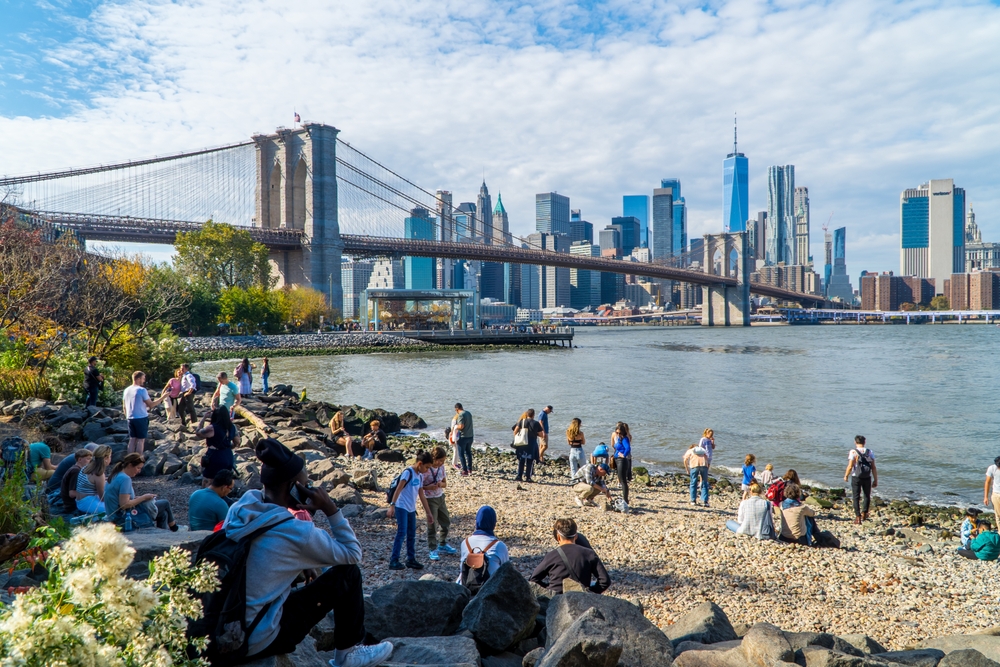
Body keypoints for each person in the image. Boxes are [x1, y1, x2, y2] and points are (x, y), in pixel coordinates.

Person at [223, 437, 394, 667]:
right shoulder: (295, 531)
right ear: (295, 487)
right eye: (307, 483)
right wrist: (331, 509)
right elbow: (353, 553)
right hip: (257, 639)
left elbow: (265, 557)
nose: (310, 487)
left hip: (227, 623)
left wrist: (301, 564)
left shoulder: (241, 508)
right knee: (348, 574)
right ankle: (346, 656)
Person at [529, 518, 611, 594]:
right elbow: (605, 581)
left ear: (558, 537)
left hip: (556, 601)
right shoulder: (589, 554)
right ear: (576, 536)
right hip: (580, 598)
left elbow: (533, 580)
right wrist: (590, 592)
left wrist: (548, 589)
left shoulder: (552, 555)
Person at [388, 450, 435, 570]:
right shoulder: (408, 473)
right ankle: (394, 560)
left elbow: (421, 495)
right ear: (420, 463)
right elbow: (398, 489)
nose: (428, 470)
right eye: (427, 467)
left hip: (411, 509)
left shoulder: (419, 476)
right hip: (401, 507)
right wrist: (392, 505)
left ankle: (411, 559)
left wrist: (428, 513)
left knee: (411, 534)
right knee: (401, 532)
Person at [105, 453, 178, 530]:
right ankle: (174, 528)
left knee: (163, 514)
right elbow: (124, 504)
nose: (139, 471)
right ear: (130, 465)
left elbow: (120, 498)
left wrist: (141, 498)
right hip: (122, 516)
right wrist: (143, 498)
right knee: (165, 503)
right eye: (138, 468)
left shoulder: (116, 475)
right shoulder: (125, 479)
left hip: (113, 515)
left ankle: (163, 534)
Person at [457, 506, 509, 585]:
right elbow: (506, 572)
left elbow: (461, 569)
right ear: (493, 523)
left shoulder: (465, 543)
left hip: (466, 586)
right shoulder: (499, 546)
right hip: (491, 589)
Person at [195, 406, 241, 486]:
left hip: (215, 456)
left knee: (208, 480)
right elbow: (237, 442)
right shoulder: (232, 427)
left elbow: (198, 432)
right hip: (228, 456)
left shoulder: (212, 428)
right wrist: (228, 447)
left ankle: (206, 497)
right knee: (224, 482)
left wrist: (204, 418)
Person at [423, 446, 455, 561]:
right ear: (434, 458)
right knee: (432, 524)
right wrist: (429, 487)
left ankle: (442, 543)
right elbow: (419, 486)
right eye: (439, 460)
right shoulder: (426, 469)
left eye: (443, 461)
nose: (441, 463)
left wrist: (441, 485)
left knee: (445, 521)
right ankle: (432, 548)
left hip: (440, 497)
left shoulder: (441, 468)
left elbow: (445, 483)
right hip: (430, 499)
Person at [123, 370, 166, 455]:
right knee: (140, 440)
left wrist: (127, 416)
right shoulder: (141, 390)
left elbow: (124, 406)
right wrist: (163, 397)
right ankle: (138, 459)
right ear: (138, 378)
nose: (144, 380)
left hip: (130, 417)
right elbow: (151, 405)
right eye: (143, 378)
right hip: (141, 417)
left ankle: (129, 459)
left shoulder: (126, 390)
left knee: (132, 439)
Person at [844, 435, 877, 524]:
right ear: (864, 442)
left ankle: (858, 517)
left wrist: (846, 475)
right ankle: (864, 513)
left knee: (856, 496)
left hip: (856, 476)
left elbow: (850, 466)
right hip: (867, 477)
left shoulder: (853, 452)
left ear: (855, 442)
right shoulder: (870, 452)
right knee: (867, 495)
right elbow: (873, 467)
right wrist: (875, 480)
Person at [76, 445, 111, 515]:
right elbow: (103, 498)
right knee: (114, 508)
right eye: (110, 456)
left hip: (80, 500)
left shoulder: (87, 467)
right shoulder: (99, 474)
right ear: (106, 458)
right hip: (87, 503)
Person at [512, 410, 544, 483]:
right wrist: (535, 434)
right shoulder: (536, 423)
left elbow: (515, 431)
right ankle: (528, 477)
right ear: (533, 415)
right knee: (530, 460)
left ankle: (519, 476)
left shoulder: (522, 421)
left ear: (527, 414)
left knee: (521, 460)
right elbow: (541, 435)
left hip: (522, 443)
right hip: (532, 443)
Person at [58, 448, 93, 514]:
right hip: (71, 505)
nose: (90, 461)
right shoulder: (76, 471)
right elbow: (72, 493)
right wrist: (90, 493)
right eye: (88, 459)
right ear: (79, 459)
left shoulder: (75, 468)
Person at [611, 422, 633, 504]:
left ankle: (625, 500)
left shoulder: (624, 439)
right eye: (617, 432)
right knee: (620, 478)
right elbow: (614, 446)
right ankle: (625, 499)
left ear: (623, 432)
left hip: (622, 461)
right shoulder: (619, 438)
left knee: (623, 481)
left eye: (620, 433)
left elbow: (628, 448)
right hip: (617, 459)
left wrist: (624, 455)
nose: (618, 434)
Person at [684, 442, 710, 507]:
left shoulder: (690, 450)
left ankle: (693, 500)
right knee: (704, 483)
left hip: (694, 466)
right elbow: (708, 459)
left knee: (693, 483)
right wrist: (707, 468)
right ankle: (705, 501)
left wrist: (687, 469)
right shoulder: (702, 450)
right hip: (704, 465)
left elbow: (685, 459)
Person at [452, 403, 474, 476]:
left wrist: (455, 427)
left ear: (457, 409)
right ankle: (470, 469)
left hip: (463, 437)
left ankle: (465, 471)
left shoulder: (461, 415)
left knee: (461, 454)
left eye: (456, 411)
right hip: (470, 436)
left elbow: (461, 426)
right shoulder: (468, 413)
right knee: (468, 453)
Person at [984, 456, 1000, 530]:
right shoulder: (992, 468)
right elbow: (987, 482)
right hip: (996, 494)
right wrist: (986, 497)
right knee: (998, 516)